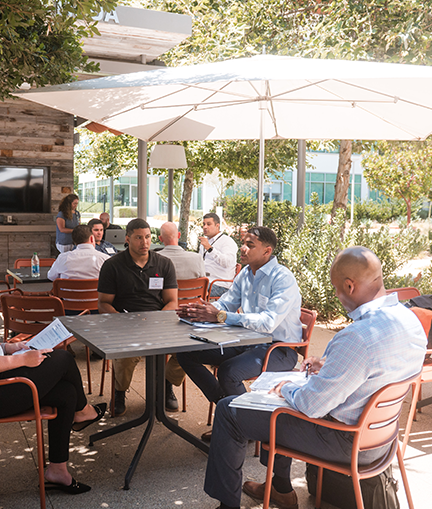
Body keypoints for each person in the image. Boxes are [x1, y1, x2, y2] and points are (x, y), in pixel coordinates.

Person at [204, 246, 427, 509]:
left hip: (344, 440)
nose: (335, 294)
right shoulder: (410, 320)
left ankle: (229, 505)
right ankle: (280, 487)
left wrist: (286, 388)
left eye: (336, 288)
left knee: (231, 409)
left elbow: (312, 405)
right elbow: (377, 369)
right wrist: (331, 365)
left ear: (350, 285)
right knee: (277, 407)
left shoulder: (357, 336)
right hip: (382, 439)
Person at [0, 233, 106, 495]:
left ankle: (58, 470)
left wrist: (10, 347)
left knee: (67, 393)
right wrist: (20, 359)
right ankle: (83, 413)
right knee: (61, 357)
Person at [177, 226, 302, 441]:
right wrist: (204, 310)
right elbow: (227, 302)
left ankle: (246, 425)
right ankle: (235, 415)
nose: (242, 248)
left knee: (229, 371)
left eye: (249, 245)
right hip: (248, 341)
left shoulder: (282, 278)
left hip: (279, 350)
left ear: (267, 251)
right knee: (187, 354)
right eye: (243, 242)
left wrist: (222, 316)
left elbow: (268, 322)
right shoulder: (245, 273)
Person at [97, 218, 182, 416]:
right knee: (126, 354)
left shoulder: (164, 263)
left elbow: (172, 302)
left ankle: (166, 384)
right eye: (138, 238)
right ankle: (119, 392)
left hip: (159, 322)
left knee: (189, 349)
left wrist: (157, 322)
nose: (144, 242)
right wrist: (123, 320)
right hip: (125, 323)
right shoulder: (112, 266)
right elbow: (103, 304)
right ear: (127, 239)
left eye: (147, 237)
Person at [198, 213, 238, 298]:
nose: (205, 227)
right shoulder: (205, 242)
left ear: (217, 226)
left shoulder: (227, 241)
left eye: (208, 224)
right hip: (205, 281)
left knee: (192, 291)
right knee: (181, 286)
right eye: (204, 224)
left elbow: (226, 262)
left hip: (220, 284)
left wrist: (210, 248)